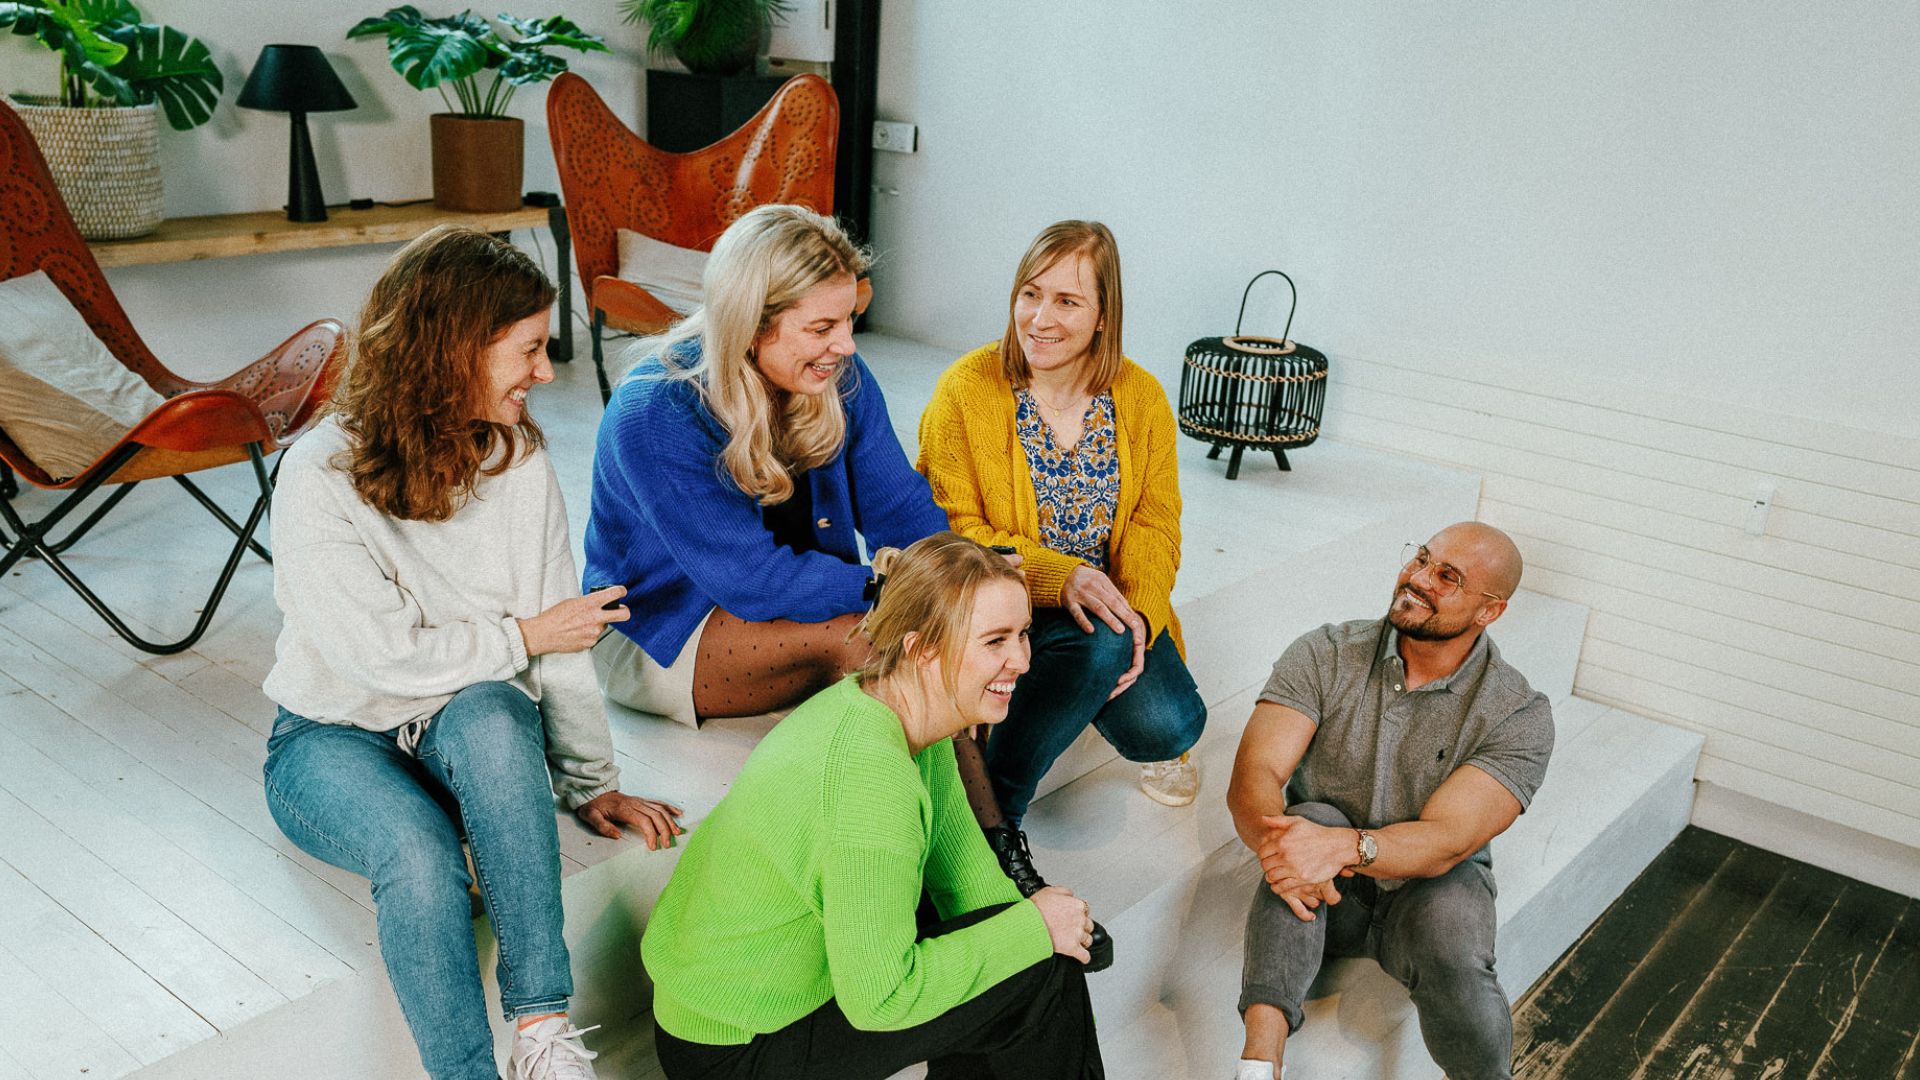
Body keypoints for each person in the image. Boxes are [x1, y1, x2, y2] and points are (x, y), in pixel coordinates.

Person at [261, 227, 684, 1080]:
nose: (545, 372)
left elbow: (563, 643)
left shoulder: (517, 459)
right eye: (528, 349)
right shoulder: (317, 476)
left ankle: (542, 1033)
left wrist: (590, 783)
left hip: (464, 724)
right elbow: (384, 658)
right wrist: (522, 638)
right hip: (331, 736)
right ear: (452, 350)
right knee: (418, 860)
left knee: (493, 711)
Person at [642, 532, 1106, 1080]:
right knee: (1037, 971)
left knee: (1031, 958)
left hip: (759, 1008)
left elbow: (970, 885)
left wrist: (1040, 926)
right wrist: (1031, 930)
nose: (1021, 661)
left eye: (1023, 634)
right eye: (995, 641)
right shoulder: (869, 778)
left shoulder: (901, 711)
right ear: (921, 648)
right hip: (733, 1050)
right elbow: (881, 999)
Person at [916, 219, 1207, 897]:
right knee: (1099, 647)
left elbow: (1156, 519)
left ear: (1105, 315)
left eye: (1067, 302)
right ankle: (995, 822)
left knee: (1173, 725)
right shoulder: (966, 388)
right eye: (1030, 294)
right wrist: (1058, 575)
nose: (1040, 319)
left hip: (1107, 601)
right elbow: (949, 523)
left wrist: (1139, 611)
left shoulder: (1140, 397)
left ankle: (1072, 676)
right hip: (1006, 591)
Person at [584, 204, 948, 726]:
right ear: (753, 326)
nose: (845, 344)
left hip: (796, 599)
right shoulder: (655, 411)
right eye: (822, 326)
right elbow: (752, 581)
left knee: (952, 627)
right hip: (660, 629)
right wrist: (887, 588)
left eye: (849, 319)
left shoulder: (840, 370)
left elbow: (899, 505)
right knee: (880, 647)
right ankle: (978, 811)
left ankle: (978, 804)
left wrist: (954, 573)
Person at [1224, 522, 1554, 1080]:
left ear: (1489, 611)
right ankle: (1259, 1066)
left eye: (1447, 576)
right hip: (1321, 897)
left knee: (1452, 920)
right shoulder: (1326, 652)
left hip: (1426, 891)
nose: (1418, 578)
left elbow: (1447, 841)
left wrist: (1340, 848)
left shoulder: (1517, 713)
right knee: (1303, 824)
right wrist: (1286, 849)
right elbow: (1256, 772)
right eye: (1421, 558)